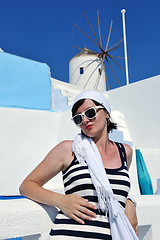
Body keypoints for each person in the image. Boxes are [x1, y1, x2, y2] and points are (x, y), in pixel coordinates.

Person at [19, 90, 138, 239]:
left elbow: (112, 190)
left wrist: (130, 202)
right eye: (78, 118)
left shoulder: (125, 152)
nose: (85, 120)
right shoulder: (69, 149)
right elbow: (27, 186)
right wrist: (61, 201)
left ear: (106, 112)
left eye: (90, 113)